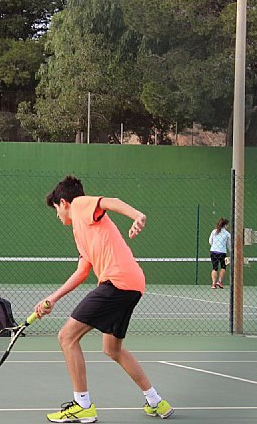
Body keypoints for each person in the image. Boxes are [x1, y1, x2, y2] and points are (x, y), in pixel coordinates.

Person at [35, 175, 173, 423]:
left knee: (67, 337)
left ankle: (82, 405)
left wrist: (137, 216)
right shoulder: (81, 231)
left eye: (56, 209)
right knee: (112, 349)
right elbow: (81, 272)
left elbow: (111, 202)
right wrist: (53, 298)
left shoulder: (79, 205)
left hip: (117, 282)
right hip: (133, 284)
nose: (57, 215)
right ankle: (155, 401)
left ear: (64, 203)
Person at [209, 218, 231, 289]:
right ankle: (219, 281)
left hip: (213, 252)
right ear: (225, 225)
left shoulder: (214, 231)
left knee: (214, 268)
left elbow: (210, 241)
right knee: (223, 267)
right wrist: (231, 252)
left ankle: (213, 284)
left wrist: (214, 246)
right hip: (222, 253)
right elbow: (229, 245)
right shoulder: (227, 234)